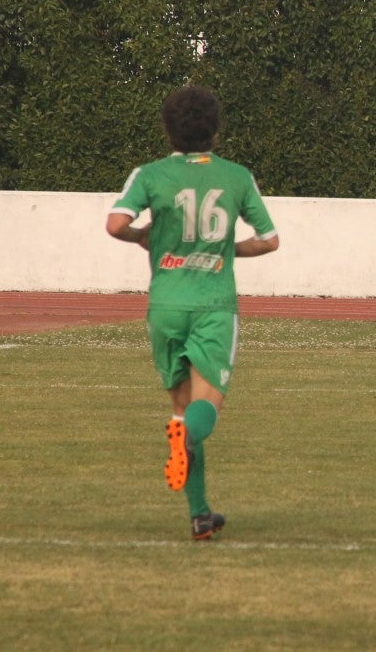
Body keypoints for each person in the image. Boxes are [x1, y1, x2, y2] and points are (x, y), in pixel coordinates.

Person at [106, 85, 280, 540]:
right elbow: (270, 239)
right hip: (212, 305)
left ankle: (200, 515)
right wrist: (228, 249)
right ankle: (184, 444)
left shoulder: (149, 174)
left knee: (182, 409)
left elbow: (115, 224)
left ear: (169, 130)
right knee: (205, 410)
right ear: (215, 131)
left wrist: (143, 236)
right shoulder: (237, 176)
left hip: (165, 304)